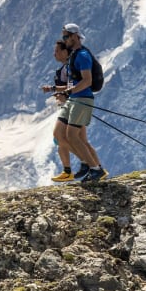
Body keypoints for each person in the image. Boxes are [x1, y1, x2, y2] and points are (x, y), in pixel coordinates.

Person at [42, 39, 101, 183]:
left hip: (76, 102)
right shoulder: (68, 67)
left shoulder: (70, 66)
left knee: (68, 138)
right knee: (74, 139)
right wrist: (54, 89)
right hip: (73, 102)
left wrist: (65, 94)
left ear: (64, 52)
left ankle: (89, 166)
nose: (54, 54)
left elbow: (79, 84)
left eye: (56, 51)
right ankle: (91, 167)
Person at [54, 24, 106, 183]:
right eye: (63, 37)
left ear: (75, 36)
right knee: (58, 134)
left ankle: (96, 169)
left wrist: (69, 91)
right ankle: (86, 164)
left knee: (72, 135)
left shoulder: (83, 55)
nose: (64, 40)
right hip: (74, 99)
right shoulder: (74, 55)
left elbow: (87, 81)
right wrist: (58, 89)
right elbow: (75, 81)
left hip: (82, 99)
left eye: (66, 37)